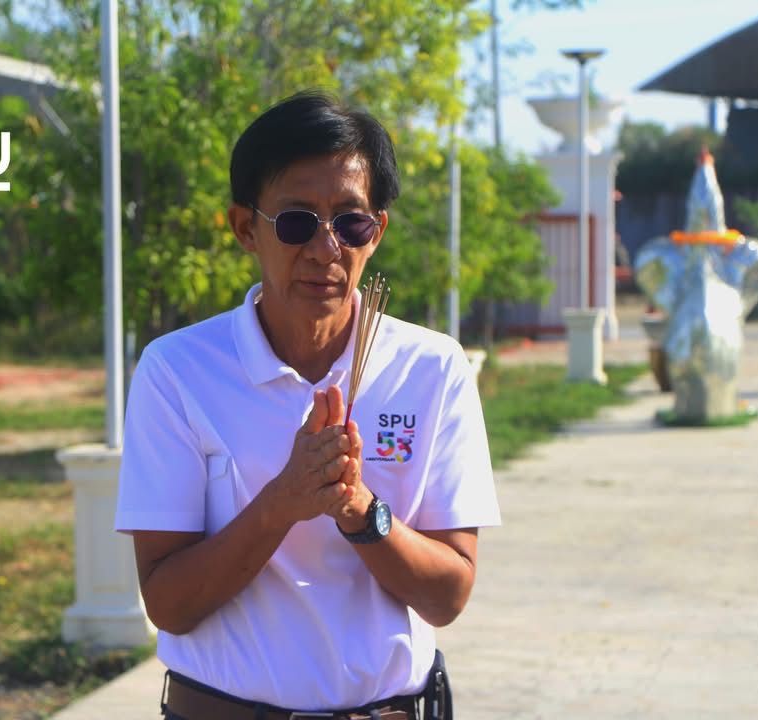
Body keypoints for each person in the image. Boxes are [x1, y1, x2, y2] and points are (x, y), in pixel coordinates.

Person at [115, 90, 500, 720]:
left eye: (350, 222)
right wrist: (284, 502)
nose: (325, 249)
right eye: (296, 222)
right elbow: (169, 604)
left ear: (376, 233)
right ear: (246, 228)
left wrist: (359, 509)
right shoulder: (180, 370)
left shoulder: (430, 369)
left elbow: (447, 595)